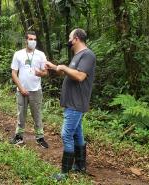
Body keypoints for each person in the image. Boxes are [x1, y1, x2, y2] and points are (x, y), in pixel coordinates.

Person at [46, 28, 96, 180]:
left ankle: (64, 172)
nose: (68, 40)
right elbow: (70, 72)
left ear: (76, 39)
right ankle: (80, 166)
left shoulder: (88, 55)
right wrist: (55, 67)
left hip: (76, 103)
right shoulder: (77, 56)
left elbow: (80, 76)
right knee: (77, 133)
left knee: (66, 134)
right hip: (73, 102)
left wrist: (64, 67)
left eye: (69, 38)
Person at [10, 31, 49, 148]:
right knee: (21, 114)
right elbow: (14, 73)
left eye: (34, 39)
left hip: (36, 90)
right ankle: (19, 136)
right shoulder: (18, 54)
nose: (33, 41)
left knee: (37, 114)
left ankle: (40, 137)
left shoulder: (41, 55)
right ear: (26, 40)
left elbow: (46, 72)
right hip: (21, 90)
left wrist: (40, 73)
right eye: (30, 39)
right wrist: (21, 88)